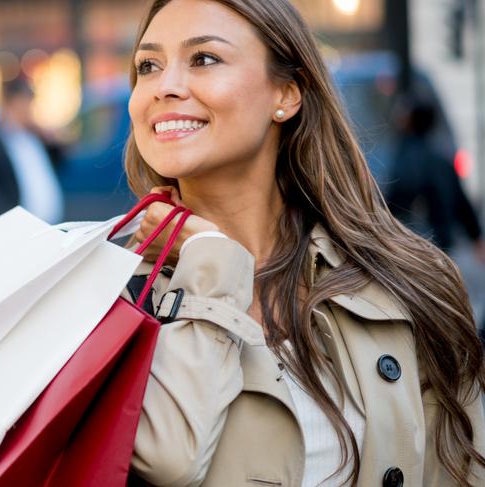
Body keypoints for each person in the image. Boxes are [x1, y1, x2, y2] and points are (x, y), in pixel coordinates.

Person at [122, 1, 485, 486]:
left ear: (286, 94)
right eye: (148, 66)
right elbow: (170, 461)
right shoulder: (105, 299)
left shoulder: (408, 280)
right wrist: (209, 267)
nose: (164, 86)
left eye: (203, 58)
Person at [386, 97, 485, 263]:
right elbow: (461, 201)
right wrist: (476, 237)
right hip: (442, 247)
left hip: (413, 247)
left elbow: (396, 203)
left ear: (410, 121)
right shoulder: (441, 158)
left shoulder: (404, 158)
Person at [0, 79, 65, 224]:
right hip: (19, 226)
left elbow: (58, 164)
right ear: (12, 103)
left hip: (49, 223)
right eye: (25, 103)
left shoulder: (33, 135)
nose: (29, 110)